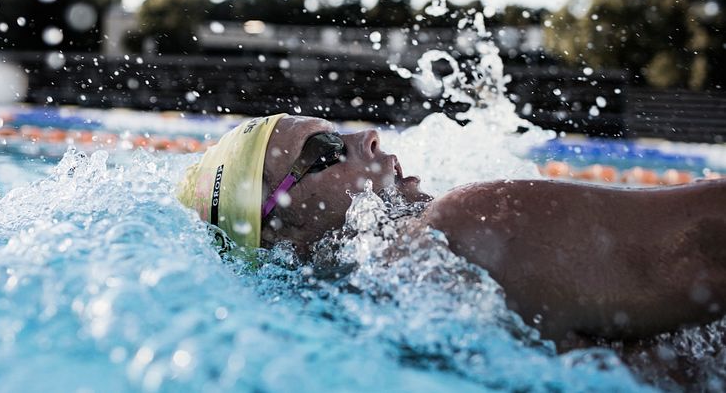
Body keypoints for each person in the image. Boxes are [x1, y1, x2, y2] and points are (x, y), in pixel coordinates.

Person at [177, 113, 726, 349]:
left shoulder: (392, 319)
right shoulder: (462, 229)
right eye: (325, 150)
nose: (367, 136)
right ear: (283, 238)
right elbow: (706, 244)